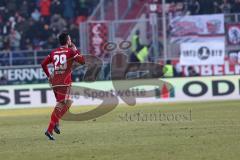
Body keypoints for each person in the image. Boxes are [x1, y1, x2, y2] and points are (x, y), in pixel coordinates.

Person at [41, 32, 85, 140]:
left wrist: (48, 76)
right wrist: (75, 50)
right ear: (67, 41)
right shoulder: (70, 51)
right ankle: (50, 129)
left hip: (55, 82)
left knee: (66, 102)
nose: (71, 40)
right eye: (69, 39)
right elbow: (82, 61)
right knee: (62, 105)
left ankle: (56, 123)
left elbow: (43, 64)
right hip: (64, 83)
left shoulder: (53, 52)